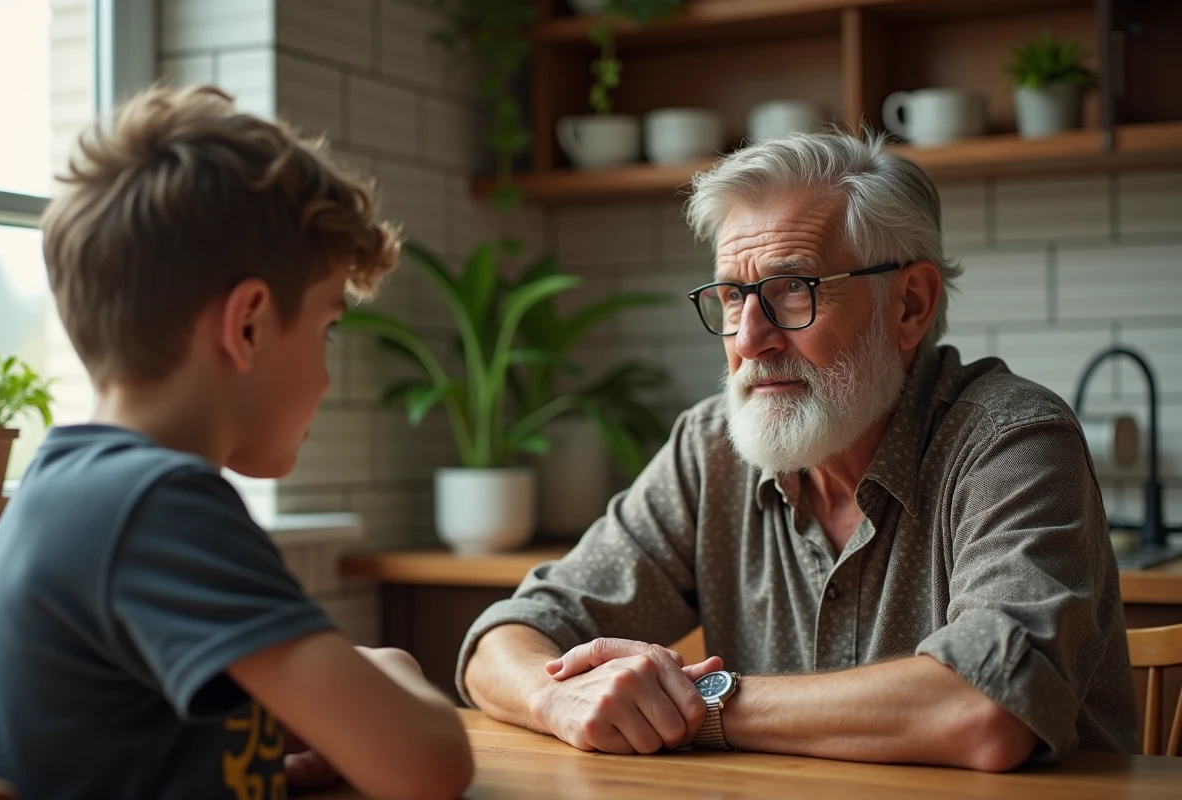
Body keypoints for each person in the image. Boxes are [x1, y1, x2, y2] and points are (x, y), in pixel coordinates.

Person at [457, 132, 1137, 771]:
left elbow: (988, 709)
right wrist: (554, 697)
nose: (751, 340)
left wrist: (702, 705)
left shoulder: (1012, 439)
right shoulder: (711, 450)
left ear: (910, 304)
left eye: (794, 289)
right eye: (733, 297)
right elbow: (508, 636)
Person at [0, 85, 473, 800]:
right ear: (247, 324)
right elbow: (429, 767)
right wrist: (391, 674)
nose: (327, 377)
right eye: (327, 329)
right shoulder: (159, 504)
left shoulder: (70, 487)